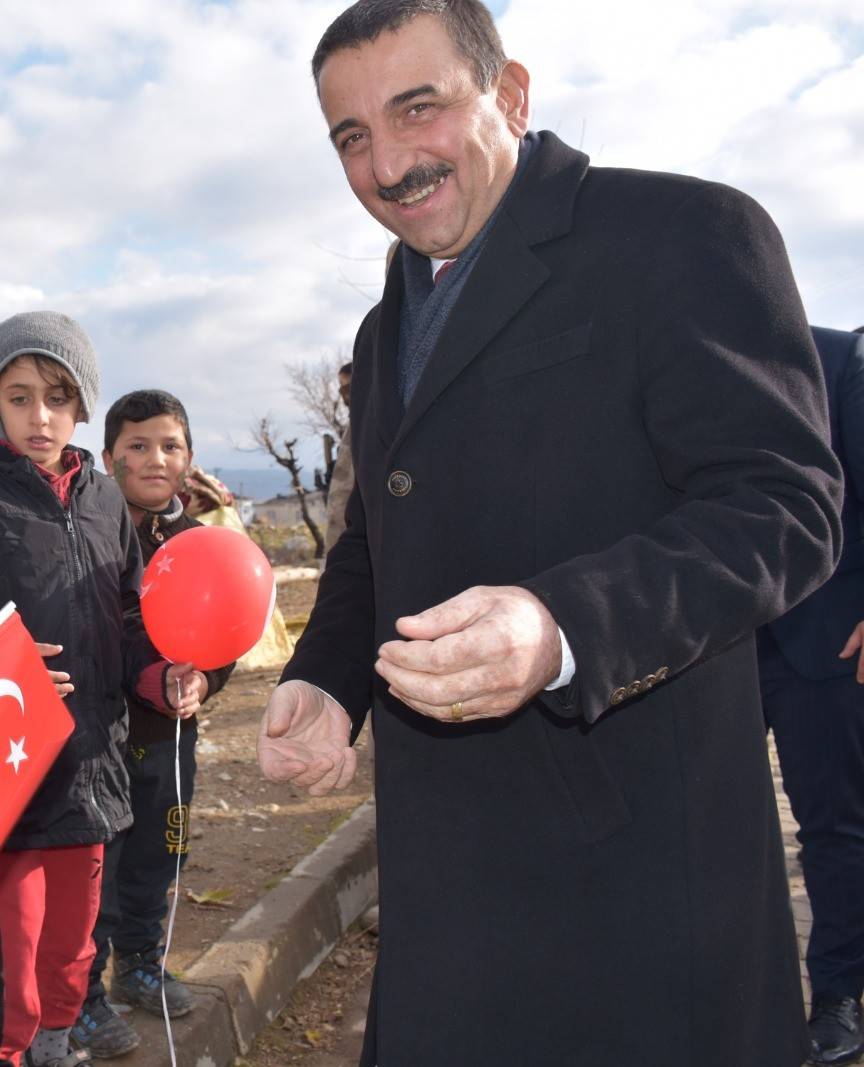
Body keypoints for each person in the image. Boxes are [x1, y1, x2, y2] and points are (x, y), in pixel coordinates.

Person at [256, 3, 843, 1065]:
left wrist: (562, 625)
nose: (386, 164)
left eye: (416, 109)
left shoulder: (681, 235)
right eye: (350, 136)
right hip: (446, 896)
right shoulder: (381, 329)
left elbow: (784, 502)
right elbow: (372, 539)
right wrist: (330, 676)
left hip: (638, 895)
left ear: (510, 94)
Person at [0, 311, 202, 1067]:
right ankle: (0, 1054)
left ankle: (58, 1045)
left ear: (82, 406)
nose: (41, 416)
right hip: (10, 764)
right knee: (15, 940)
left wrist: (160, 676)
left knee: (73, 939)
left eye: (59, 398)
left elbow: (130, 614)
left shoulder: (102, 500)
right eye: (20, 395)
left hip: (95, 759)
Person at [71, 390, 237, 1059]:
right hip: (100, 737)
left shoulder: (200, 542)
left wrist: (203, 680)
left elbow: (225, 633)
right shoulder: (88, 532)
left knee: (161, 849)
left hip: (170, 740)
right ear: (109, 458)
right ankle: (81, 992)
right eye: (137, 445)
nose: (154, 458)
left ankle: (139, 960)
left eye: (169, 445)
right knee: (96, 864)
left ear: (189, 458)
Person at [758, 325, 864, 1066]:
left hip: (829, 636)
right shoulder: (674, 357)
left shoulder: (837, 360)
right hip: (711, 643)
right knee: (707, 823)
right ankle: (740, 994)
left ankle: (839, 992)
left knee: (834, 825)